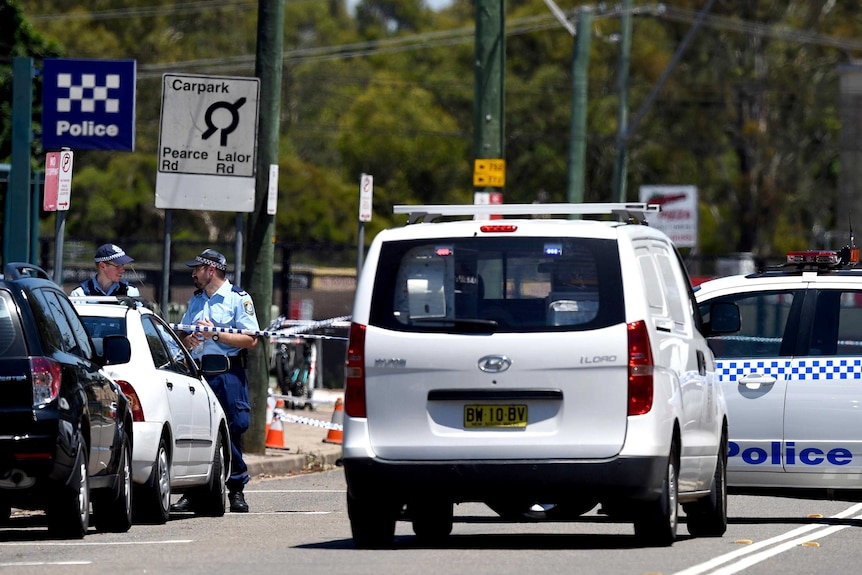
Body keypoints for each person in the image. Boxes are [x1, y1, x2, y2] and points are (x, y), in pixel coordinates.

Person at [170, 249, 259, 514]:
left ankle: (236, 488)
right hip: (199, 374)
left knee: (233, 427)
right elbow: (183, 337)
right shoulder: (196, 301)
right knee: (196, 431)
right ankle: (193, 490)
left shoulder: (237, 299)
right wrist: (190, 341)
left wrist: (216, 335)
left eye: (196, 269)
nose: (193, 274)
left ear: (210, 270)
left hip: (227, 375)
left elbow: (251, 339)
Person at [70, 243, 140, 297]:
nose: (122, 270)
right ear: (102, 266)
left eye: (123, 265)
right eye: (118, 266)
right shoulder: (80, 294)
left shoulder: (130, 292)